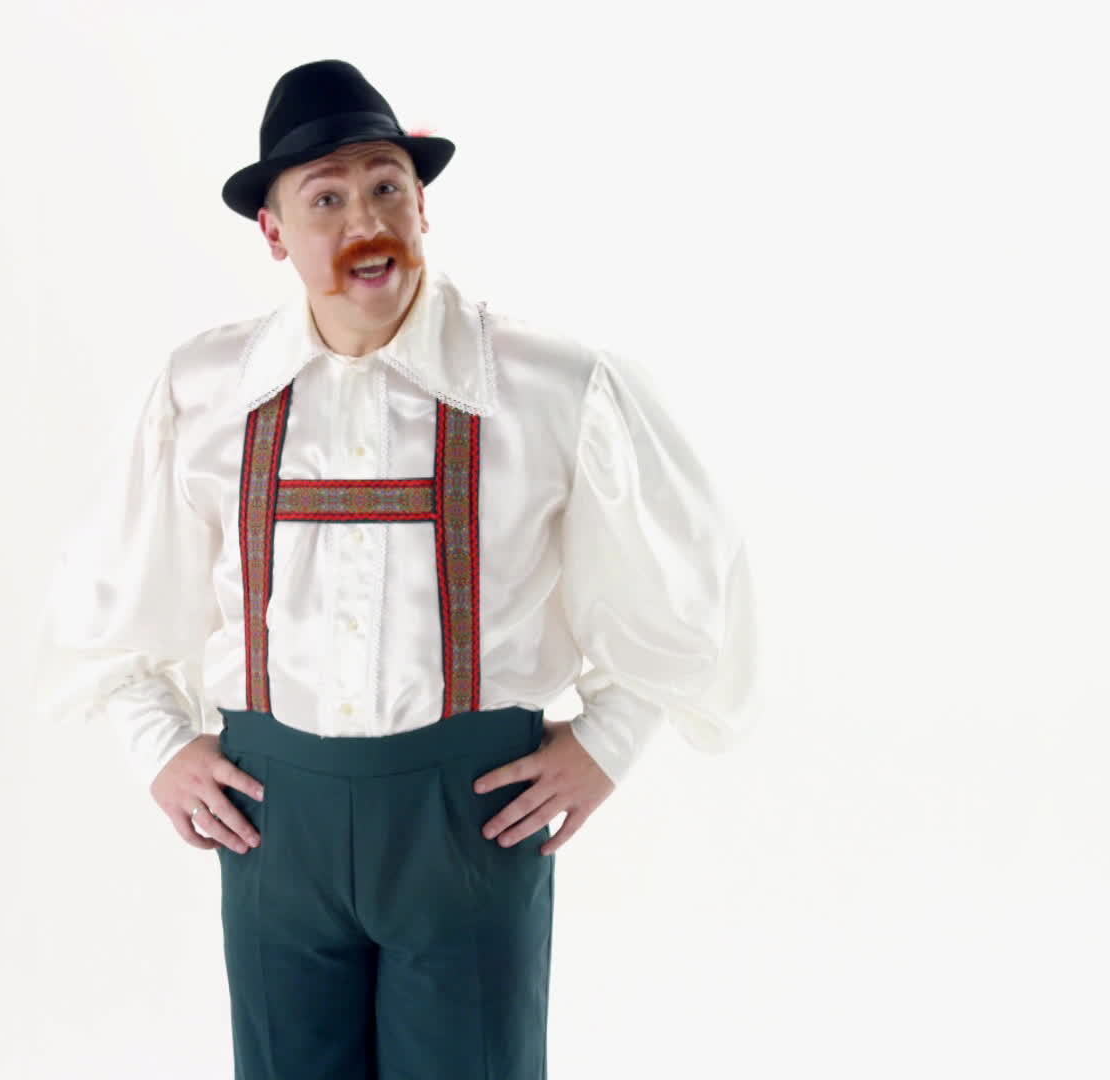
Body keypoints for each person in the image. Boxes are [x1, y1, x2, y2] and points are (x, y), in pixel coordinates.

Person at [39, 58, 760, 1080]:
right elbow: (114, 585)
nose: (365, 221)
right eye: (325, 199)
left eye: (386, 186)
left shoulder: (550, 383)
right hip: (270, 818)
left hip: (469, 815)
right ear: (275, 232)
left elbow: (689, 579)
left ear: (423, 205)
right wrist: (158, 743)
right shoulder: (205, 390)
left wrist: (610, 737)